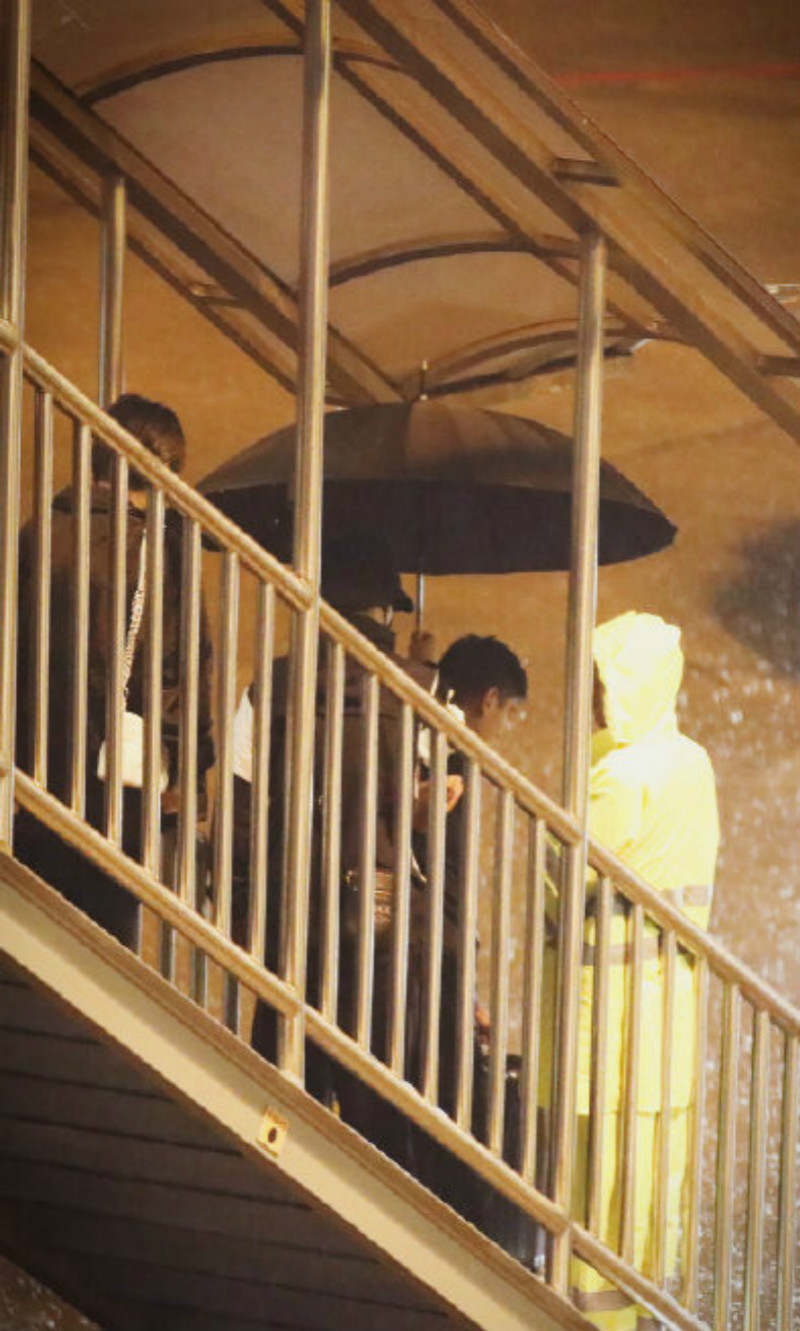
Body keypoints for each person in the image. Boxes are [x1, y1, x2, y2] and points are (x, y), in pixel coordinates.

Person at [243, 530, 441, 1161]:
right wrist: (425, 675)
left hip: (291, 903)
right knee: (375, 1093)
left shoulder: (275, 683)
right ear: (383, 611)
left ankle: (267, 1185)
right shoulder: (416, 690)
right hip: (379, 911)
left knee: (280, 1080)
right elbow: (420, 812)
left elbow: (244, 799)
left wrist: (246, 900)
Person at [564, 612, 719, 1329]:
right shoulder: (693, 763)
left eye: (600, 684)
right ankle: (650, 1310)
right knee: (655, 1177)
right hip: (672, 1008)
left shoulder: (618, 777)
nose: (593, 699)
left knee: (597, 1179)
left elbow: (564, 872)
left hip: (610, 1015)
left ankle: (588, 1316)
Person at [14, 393, 214, 946]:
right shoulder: (159, 551)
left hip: (32, 772)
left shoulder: (38, 533)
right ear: (159, 466)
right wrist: (186, 774)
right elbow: (179, 670)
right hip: (116, 784)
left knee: (30, 942)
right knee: (103, 946)